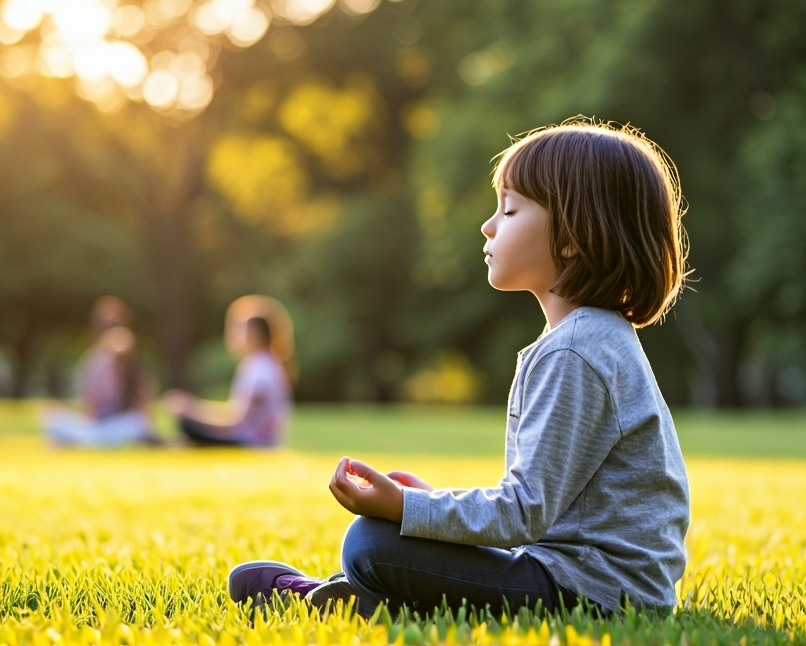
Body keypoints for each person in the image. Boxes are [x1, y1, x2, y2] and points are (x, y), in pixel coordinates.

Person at [227, 120, 692, 618]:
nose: (489, 226)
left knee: (370, 541)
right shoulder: (591, 339)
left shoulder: (575, 352)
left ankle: (345, 597)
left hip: (595, 595)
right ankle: (354, 594)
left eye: (510, 209)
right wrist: (434, 507)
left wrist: (406, 510)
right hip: (581, 576)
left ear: (572, 238)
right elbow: (541, 510)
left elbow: (523, 512)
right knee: (381, 542)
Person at [164, 297, 293, 447]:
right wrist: (193, 406)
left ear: (254, 333)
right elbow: (236, 410)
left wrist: (193, 413)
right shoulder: (261, 363)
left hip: (252, 444)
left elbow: (237, 419)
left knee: (186, 425)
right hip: (251, 440)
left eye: (240, 329)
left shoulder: (261, 369)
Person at [41, 296, 160, 448]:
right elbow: (88, 406)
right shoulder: (92, 360)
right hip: (98, 428)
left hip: (120, 424)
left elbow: (143, 400)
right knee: (52, 417)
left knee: (137, 424)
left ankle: (85, 442)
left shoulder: (128, 356)